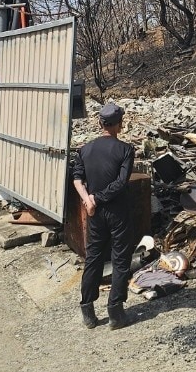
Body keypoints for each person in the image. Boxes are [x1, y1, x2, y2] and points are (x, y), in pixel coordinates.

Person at [72, 102, 135, 329]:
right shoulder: (126, 150)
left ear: (100, 123)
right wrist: (96, 198)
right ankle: (115, 313)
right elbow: (121, 182)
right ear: (119, 124)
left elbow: (77, 178)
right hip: (117, 211)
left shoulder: (85, 149)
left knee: (94, 257)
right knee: (120, 258)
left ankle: (88, 310)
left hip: (94, 213)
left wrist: (87, 199)